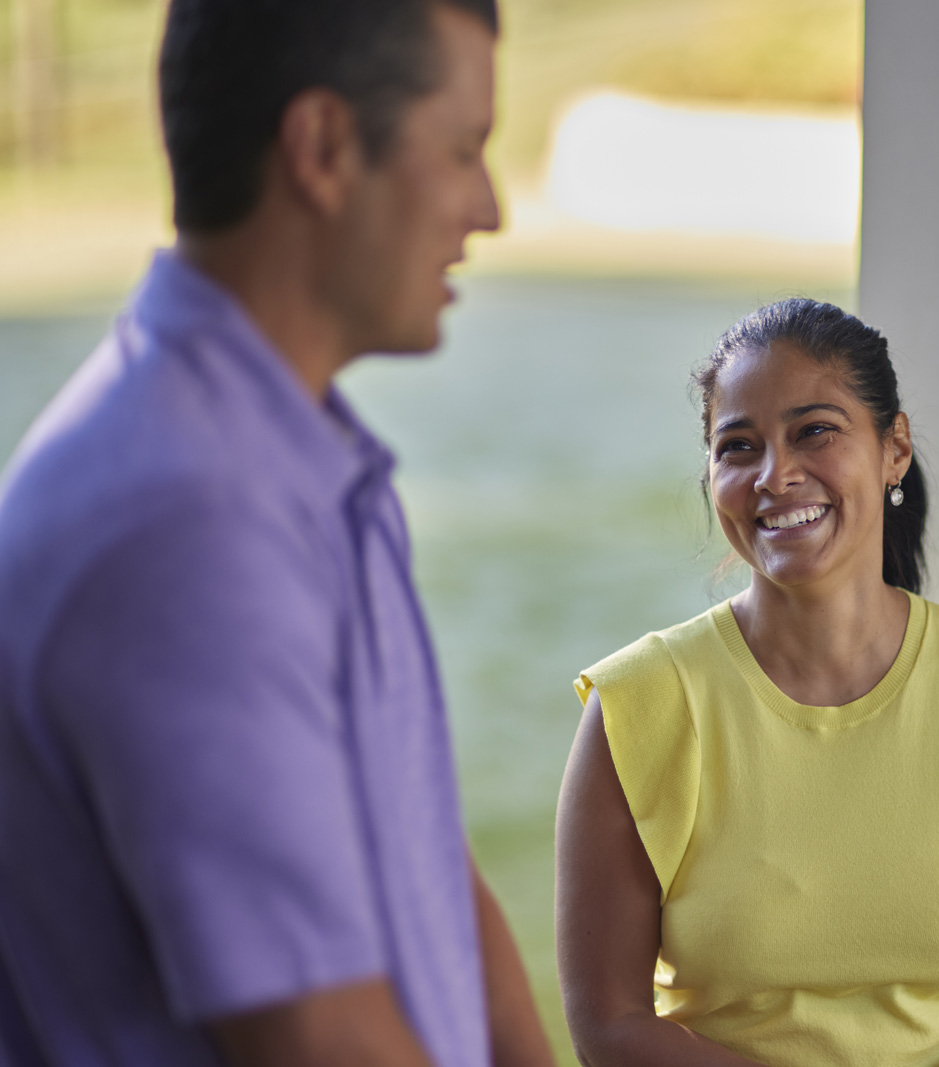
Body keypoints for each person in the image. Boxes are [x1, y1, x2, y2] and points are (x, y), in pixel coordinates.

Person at [0, 2, 554, 1065]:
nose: (489, 208)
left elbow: (431, 861)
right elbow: (317, 1034)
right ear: (323, 148)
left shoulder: (307, 460)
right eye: (463, 149)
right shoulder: (184, 523)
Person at [555, 299, 939, 1067]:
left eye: (815, 431)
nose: (776, 475)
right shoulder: (639, 706)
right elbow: (611, 1020)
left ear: (893, 448)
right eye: (738, 446)